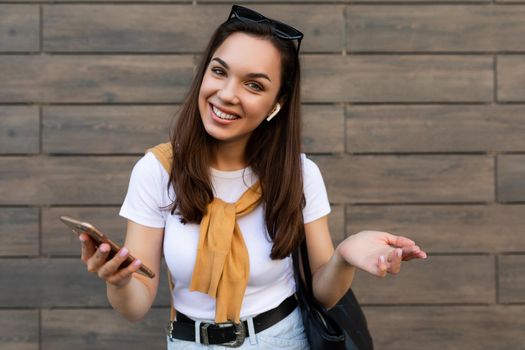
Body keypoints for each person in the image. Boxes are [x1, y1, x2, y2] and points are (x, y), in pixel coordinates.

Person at [78, 5, 427, 349]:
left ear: (277, 103)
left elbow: (324, 291)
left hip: (284, 340)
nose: (227, 94)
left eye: (254, 85)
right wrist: (120, 282)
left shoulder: (299, 174)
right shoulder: (158, 170)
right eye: (219, 72)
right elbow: (136, 307)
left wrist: (344, 257)